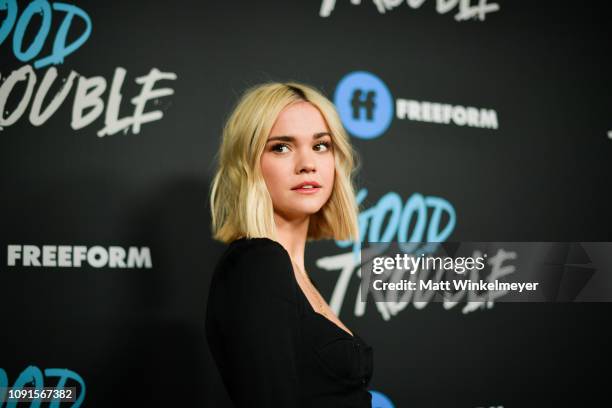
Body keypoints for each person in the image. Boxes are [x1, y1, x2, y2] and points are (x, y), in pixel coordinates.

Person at [205, 81, 373, 407]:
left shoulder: (294, 272)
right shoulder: (259, 265)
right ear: (249, 163)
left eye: (320, 146)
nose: (307, 163)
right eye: (282, 147)